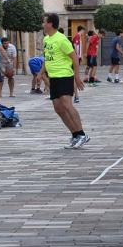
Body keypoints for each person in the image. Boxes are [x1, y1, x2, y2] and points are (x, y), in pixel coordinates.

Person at [42, 13, 89, 149]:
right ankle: (75, 135)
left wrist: (77, 77)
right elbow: (47, 57)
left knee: (67, 105)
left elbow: (74, 58)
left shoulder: (62, 39)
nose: (43, 25)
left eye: (44, 22)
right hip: (53, 77)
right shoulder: (46, 39)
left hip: (64, 75)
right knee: (58, 108)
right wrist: (40, 73)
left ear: (50, 24)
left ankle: (82, 134)